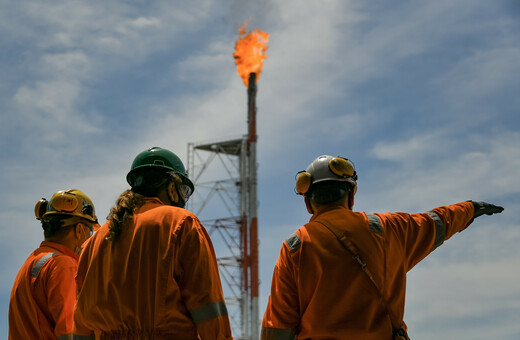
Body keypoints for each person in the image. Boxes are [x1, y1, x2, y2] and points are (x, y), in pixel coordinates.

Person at [261, 155, 504, 340]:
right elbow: (436, 222)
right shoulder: (387, 229)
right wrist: (470, 208)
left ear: (308, 203)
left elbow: (278, 327)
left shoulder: (295, 247)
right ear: (351, 195)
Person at [73, 146, 233, 340]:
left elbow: (81, 323)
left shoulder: (94, 242)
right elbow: (207, 307)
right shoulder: (181, 223)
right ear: (172, 187)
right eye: (183, 190)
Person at [9, 189, 99, 340]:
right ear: (78, 230)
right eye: (89, 232)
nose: (89, 240)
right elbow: (69, 333)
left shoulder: (31, 263)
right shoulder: (64, 265)